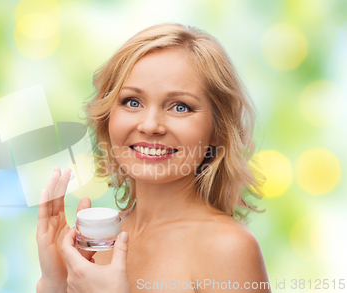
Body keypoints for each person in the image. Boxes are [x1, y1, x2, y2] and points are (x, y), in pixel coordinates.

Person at [36, 22, 271, 293]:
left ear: (217, 130)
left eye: (180, 107)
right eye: (132, 102)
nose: (150, 125)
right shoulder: (94, 243)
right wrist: (55, 283)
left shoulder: (227, 247)